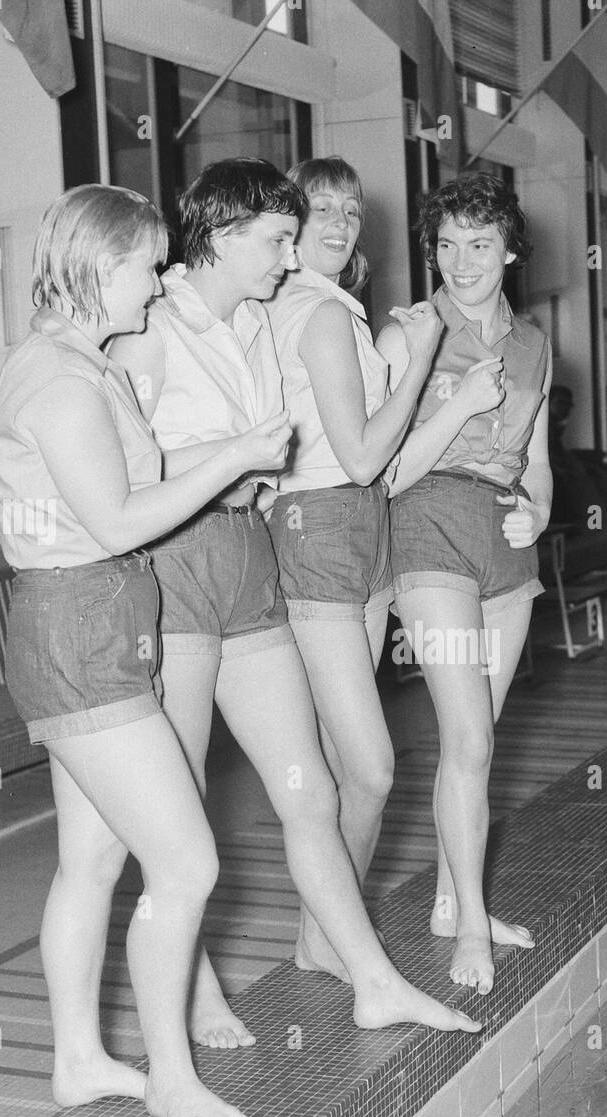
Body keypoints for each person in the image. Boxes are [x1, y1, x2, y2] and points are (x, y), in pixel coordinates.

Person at [110, 158, 480, 1036]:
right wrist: (231, 467)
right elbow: (129, 471)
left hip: (253, 559)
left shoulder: (249, 322)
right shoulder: (154, 327)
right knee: (184, 804)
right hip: (186, 563)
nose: (293, 253)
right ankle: (192, 991)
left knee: (310, 790)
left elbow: (321, 462)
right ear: (227, 232)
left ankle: (367, 974)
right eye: (282, 234)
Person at [0, 183, 277, 1117]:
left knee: (92, 859)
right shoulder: (62, 381)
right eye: (147, 267)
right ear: (98, 266)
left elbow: (132, 490)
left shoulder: (86, 363)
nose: (157, 288)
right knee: (187, 861)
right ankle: (169, 1076)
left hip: (99, 620)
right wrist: (233, 453)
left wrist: (222, 455)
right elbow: (115, 520)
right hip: (78, 630)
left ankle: (77, 1059)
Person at [262, 155, 444, 977]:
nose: (337, 224)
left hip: (353, 526)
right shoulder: (322, 315)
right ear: (289, 223)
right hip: (327, 525)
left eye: (349, 210)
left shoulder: (328, 306)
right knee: (369, 767)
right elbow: (366, 454)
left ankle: (317, 938)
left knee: (345, 759)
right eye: (318, 209)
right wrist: (417, 361)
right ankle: (327, 937)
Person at [379, 173, 549, 995]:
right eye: (445, 245)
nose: (460, 261)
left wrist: (540, 515)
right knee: (469, 738)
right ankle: (472, 927)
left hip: (504, 544)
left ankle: (454, 901)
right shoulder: (409, 332)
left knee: (479, 744)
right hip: (428, 529)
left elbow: (538, 463)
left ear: (510, 250)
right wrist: (456, 405)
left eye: (478, 244)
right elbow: (383, 471)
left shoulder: (535, 344)